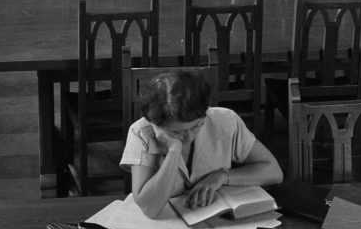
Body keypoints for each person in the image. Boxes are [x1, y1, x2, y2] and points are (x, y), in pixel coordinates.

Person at [121, 67, 282, 219]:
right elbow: (150, 209)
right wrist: (173, 152)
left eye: (197, 126)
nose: (189, 138)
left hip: (218, 221)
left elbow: (274, 172)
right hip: (169, 228)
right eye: (178, 132)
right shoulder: (141, 132)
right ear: (155, 124)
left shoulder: (225, 120)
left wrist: (221, 176)